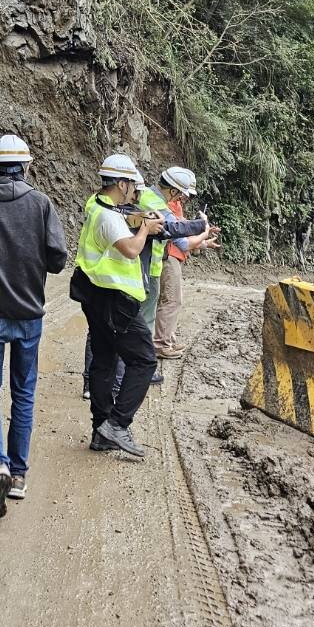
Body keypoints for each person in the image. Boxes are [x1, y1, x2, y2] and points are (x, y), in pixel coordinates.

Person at [0, 133, 69, 519]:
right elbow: (57, 259)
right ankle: (18, 475)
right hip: (28, 314)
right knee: (23, 393)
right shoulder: (41, 204)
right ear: (25, 165)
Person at [70, 153, 202, 460]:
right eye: (131, 184)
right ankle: (118, 424)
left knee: (104, 362)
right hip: (115, 301)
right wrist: (145, 231)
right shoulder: (107, 216)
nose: (135, 190)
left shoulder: (98, 206)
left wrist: (143, 225)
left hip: (97, 296)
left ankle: (100, 431)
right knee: (144, 360)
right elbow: (130, 250)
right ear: (120, 184)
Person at [153, 166, 219, 360]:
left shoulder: (173, 204)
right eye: (183, 193)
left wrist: (204, 239)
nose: (184, 197)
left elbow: (186, 233)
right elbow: (182, 239)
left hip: (172, 255)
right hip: (169, 255)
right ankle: (161, 343)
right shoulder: (165, 205)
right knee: (171, 299)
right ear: (175, 190)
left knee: (173, 299)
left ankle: (167, 339)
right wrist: (203, 234)